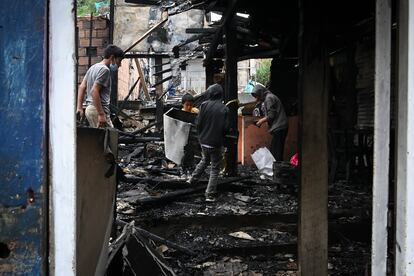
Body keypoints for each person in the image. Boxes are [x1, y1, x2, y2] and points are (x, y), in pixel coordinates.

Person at [187, 84, 229, 202]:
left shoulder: (203, 105)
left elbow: (198, 123)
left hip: (203, 141)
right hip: (216, 143)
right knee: (215, 167)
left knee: (205, 160)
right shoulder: (224, 108)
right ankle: (209, 194)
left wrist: (201, 136)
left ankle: (192, 180)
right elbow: (226, 128)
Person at [76, 44, 124, 128]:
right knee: (109, 139)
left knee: (99, 139)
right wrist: (101, 114)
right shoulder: (105, 70)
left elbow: (82, 87)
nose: (120, 64)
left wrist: (79, 107)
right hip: (97, 110)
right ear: (112, 58)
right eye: (119, 61)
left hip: (90, 109)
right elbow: (94, 91)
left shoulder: (93, 67)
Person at [252, 83, 288, 161]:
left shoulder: (269, 98)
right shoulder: (268, 98)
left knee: (276, 152)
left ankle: (277, 170)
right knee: (275, 151)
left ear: (261, 93)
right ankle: (276, 169)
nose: (256, 98)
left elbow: (271, 115)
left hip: (279, 127)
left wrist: (261, 121)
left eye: (257, 96)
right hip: (280, 127)